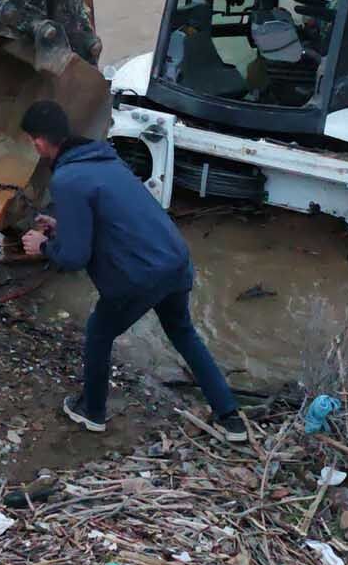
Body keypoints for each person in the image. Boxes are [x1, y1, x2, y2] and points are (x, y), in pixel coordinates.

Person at [19, 99, 247, 441]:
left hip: (140, 277)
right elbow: (111, 222)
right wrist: (60, 227)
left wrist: (43, 246)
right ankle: (230, 417)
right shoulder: (106, 159)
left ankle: (92, 411)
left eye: (31, 141)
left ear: (38, 141)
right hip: (175, 259)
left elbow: (75, 258)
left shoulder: (65, 179)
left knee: (99, 332)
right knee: (183, 332)